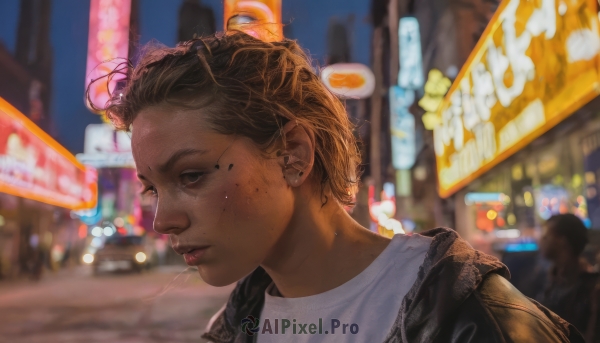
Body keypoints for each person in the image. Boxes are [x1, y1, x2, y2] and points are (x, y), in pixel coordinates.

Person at [89, 32, 584, 342]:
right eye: (153, 187)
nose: (163, 220)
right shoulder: (238, 323)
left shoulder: (471, 318)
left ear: (293, 157)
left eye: (191, 175)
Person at [538, 214, 600, 342]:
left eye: (546, 236)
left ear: (562, 241)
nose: (541, 240)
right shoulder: (553, 279)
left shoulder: (591, 288)